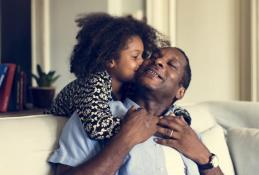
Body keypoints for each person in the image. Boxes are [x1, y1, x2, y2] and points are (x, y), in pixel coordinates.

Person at [49, 47, 224, 175]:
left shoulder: (185, 129)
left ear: (180, 91)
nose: (158, 61)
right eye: (153, 57)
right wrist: (125, 140)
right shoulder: (94, 116)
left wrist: (205, 157)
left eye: (171, 64)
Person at [47, 13, 165, 140]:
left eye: (142, 56)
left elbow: (160, 102)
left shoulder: (128, 85)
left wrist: (178, 117)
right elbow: (97, 128)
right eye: (135, 57)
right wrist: (147, 126)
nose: (142, 62)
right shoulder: (94, 83)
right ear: (110, 60)